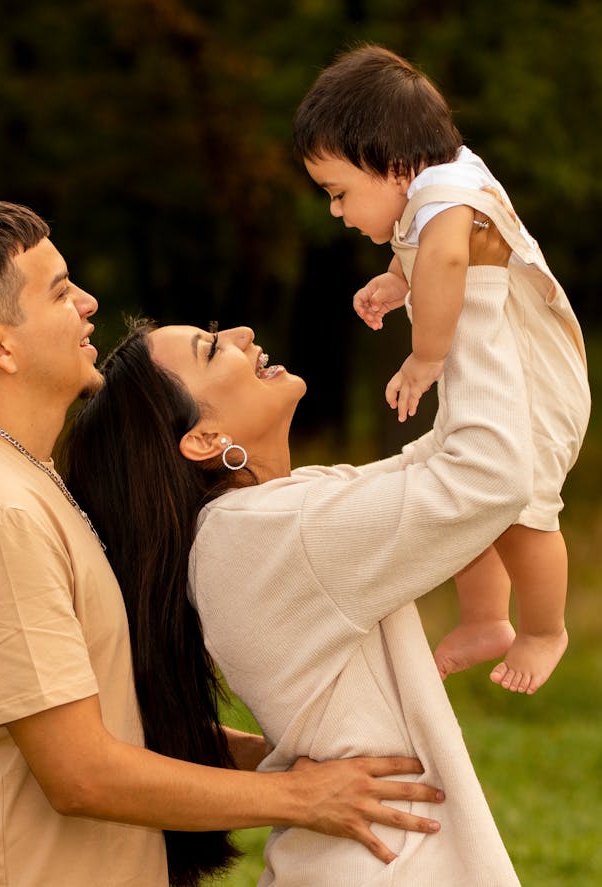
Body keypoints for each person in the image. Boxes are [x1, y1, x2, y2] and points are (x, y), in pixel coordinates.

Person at [0, 200, 451, 887]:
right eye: (58, 291)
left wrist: (290, 757)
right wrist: (299, 796)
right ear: (2, 346)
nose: (88, 302)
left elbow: (109, 725)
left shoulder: (17, 476)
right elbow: (80, 772)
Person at [61, 221, 530, 884]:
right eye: (211, 347)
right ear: (204, 438)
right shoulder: (266, 534)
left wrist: (438, 283)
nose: (244, 336)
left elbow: (448, 463)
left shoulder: (260, 524)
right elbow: (492, 474)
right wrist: (477, 285)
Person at [292, 44, 591, 695]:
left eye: (339, 192)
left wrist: (425, 354)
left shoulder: (448, 195)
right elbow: (425, 249)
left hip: (531, 377)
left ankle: (545, 629)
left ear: (396, 168)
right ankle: (487, 619)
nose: (337, 211)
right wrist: (398, 279)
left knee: (521, 503)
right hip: (491, 374)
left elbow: (450, 260)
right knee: (470, 490)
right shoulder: (432, 186)